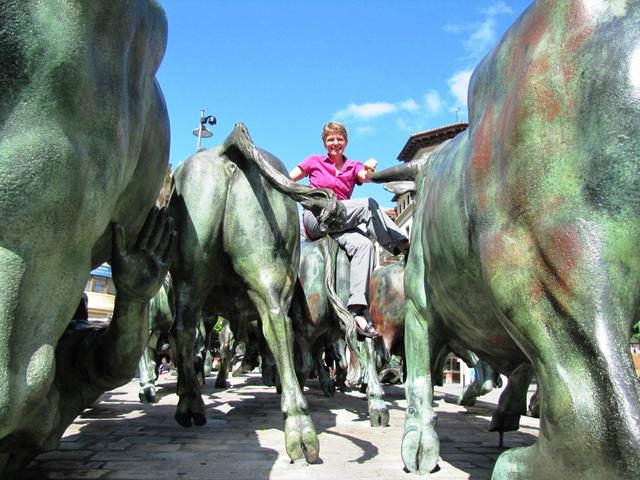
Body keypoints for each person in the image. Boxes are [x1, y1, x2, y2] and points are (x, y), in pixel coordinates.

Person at [290, 121, 409, 338]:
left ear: (345, 141)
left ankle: (356, 310)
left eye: (339, 138)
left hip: (340, 223)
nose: (335, 143)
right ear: (325, 143)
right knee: (367, 205)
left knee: (365, 245)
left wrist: (369, 168)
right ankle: (403, 246)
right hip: (316, 218)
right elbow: (289, 179)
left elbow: (365, 177)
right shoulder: (314, 161)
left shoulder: (353, 166)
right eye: (330, 139)